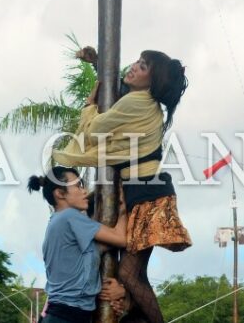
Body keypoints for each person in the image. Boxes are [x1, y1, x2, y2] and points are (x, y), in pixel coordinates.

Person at [52, 50, 192, 323]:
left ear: (151, 82)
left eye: (142, 67)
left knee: (129, 275)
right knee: (134, 276)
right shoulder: (143, 103)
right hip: (145, 192)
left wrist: (89, 107)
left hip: (147, 194)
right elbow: (118, 91)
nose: (134, 68)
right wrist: (98, 63)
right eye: (137, 62)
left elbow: (94, 131)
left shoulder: (137, 103)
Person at [28, 166, 128, 323]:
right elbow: (121, 238)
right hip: (66, 316)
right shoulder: (70, 217)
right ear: (60, 194)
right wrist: (123, 208)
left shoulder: (58, 224)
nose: (84, 191)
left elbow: (102, 248)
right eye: (78, 186)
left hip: (63, 315)